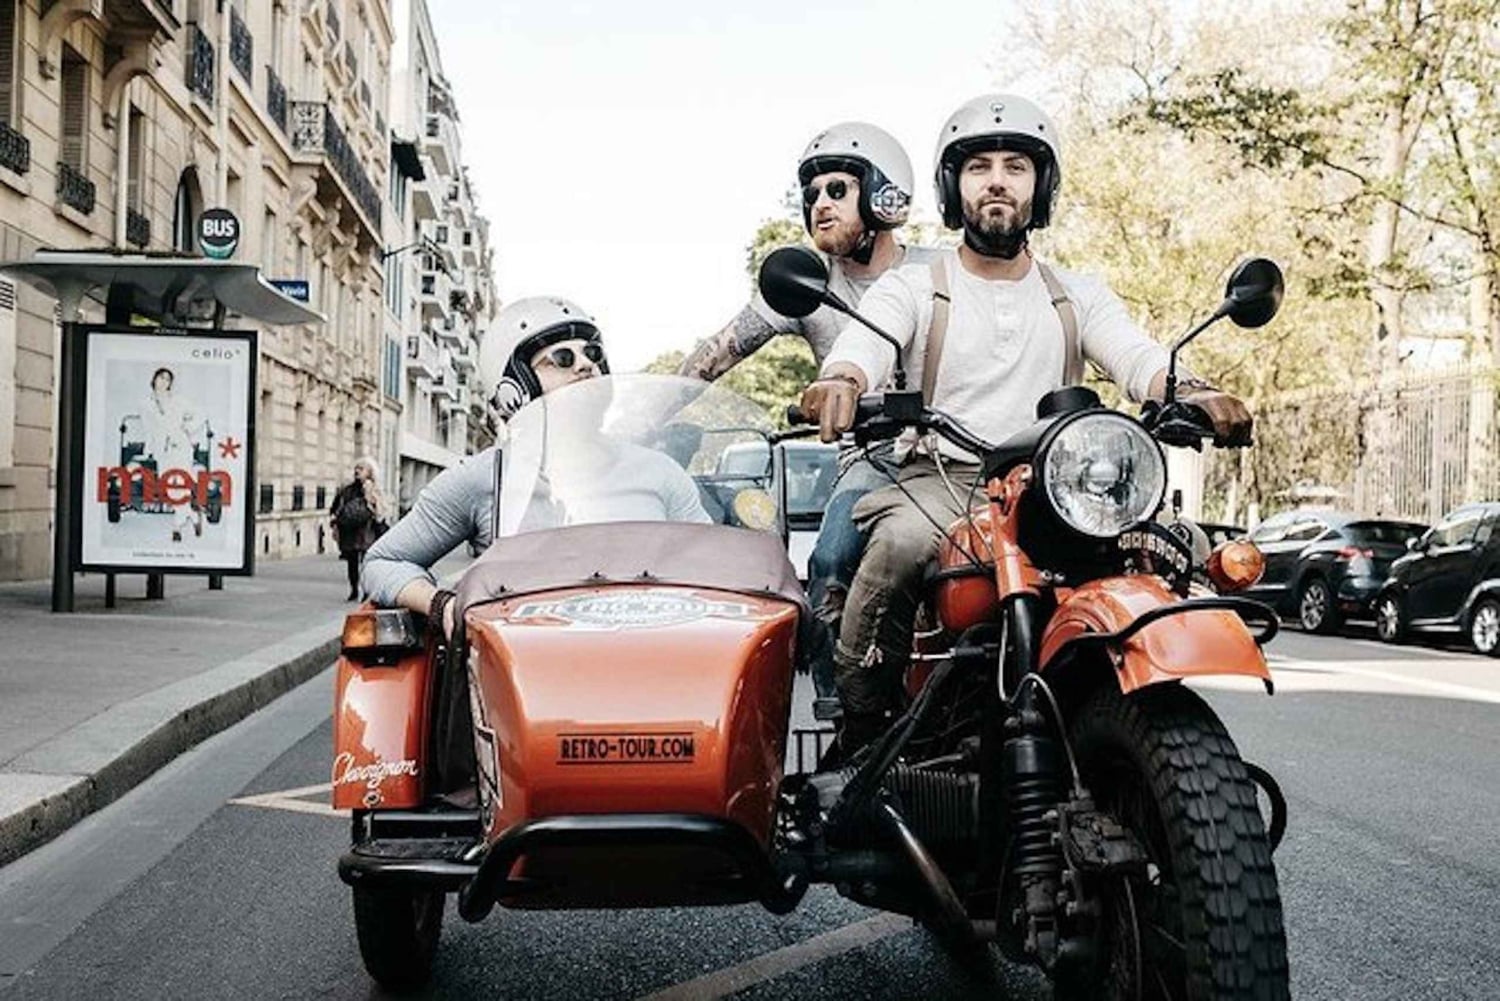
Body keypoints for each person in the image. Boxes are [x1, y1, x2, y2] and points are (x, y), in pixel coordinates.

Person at [798, 94, 1253, 750]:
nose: (997, 181)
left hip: (1059, 486)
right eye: (978, 166)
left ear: (1041, 186)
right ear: (953, 185)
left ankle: (1123, 711)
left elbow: (1137, 355)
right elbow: (867, 341)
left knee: (1175, 550)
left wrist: (1194, 390)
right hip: (944, 478)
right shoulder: (916, 285)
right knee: (896, 546)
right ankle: (863, 725)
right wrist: (842, 379)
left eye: (1016, 166)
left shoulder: (1077, 293)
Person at [678, 122, 940, 708]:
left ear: (883, 194)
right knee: (830, 561)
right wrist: (652, 411)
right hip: (870, 460)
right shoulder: (806, 283)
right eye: (813, 193)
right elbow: (721, 350)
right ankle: (843, 713)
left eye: (838, 190)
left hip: (950, 452)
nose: (820, 203)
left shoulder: (939, 271)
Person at [362, 296, 710, 635]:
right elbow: (382, 562)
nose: (585, 364)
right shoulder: (485, 476)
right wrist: (441, 605)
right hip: (523, 666)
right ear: (514, 389)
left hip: (648, 656)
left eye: (593, 353)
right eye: (561, 358)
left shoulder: (660, 472)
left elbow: (714, 565)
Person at [140, 366, 206, 543]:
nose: (163, 381)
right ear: (154, 379)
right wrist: (149, 450)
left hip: (180, 446)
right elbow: (148, 429)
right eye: (161, 377)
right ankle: (193, 516)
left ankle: (177, 527)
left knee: (180, 486)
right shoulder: (146, 404)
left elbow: (201, 415)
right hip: (162, 451)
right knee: (170, 488)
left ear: (170, 384)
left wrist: (188, 428)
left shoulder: (178, 401)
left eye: (167, 379)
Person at [330, 457, 387, 600]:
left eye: (361, 468)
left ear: (369, 472)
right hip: (350, 530)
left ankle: (367, 591)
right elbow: (336, 507)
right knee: (352, 562)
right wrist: (336, 522)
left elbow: (380, 511)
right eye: (356, 468)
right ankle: (354, 589)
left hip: (367, 531)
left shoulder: (373, 489)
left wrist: (370, 495)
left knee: (366, 563)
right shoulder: (347, 489)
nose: (357, 471)